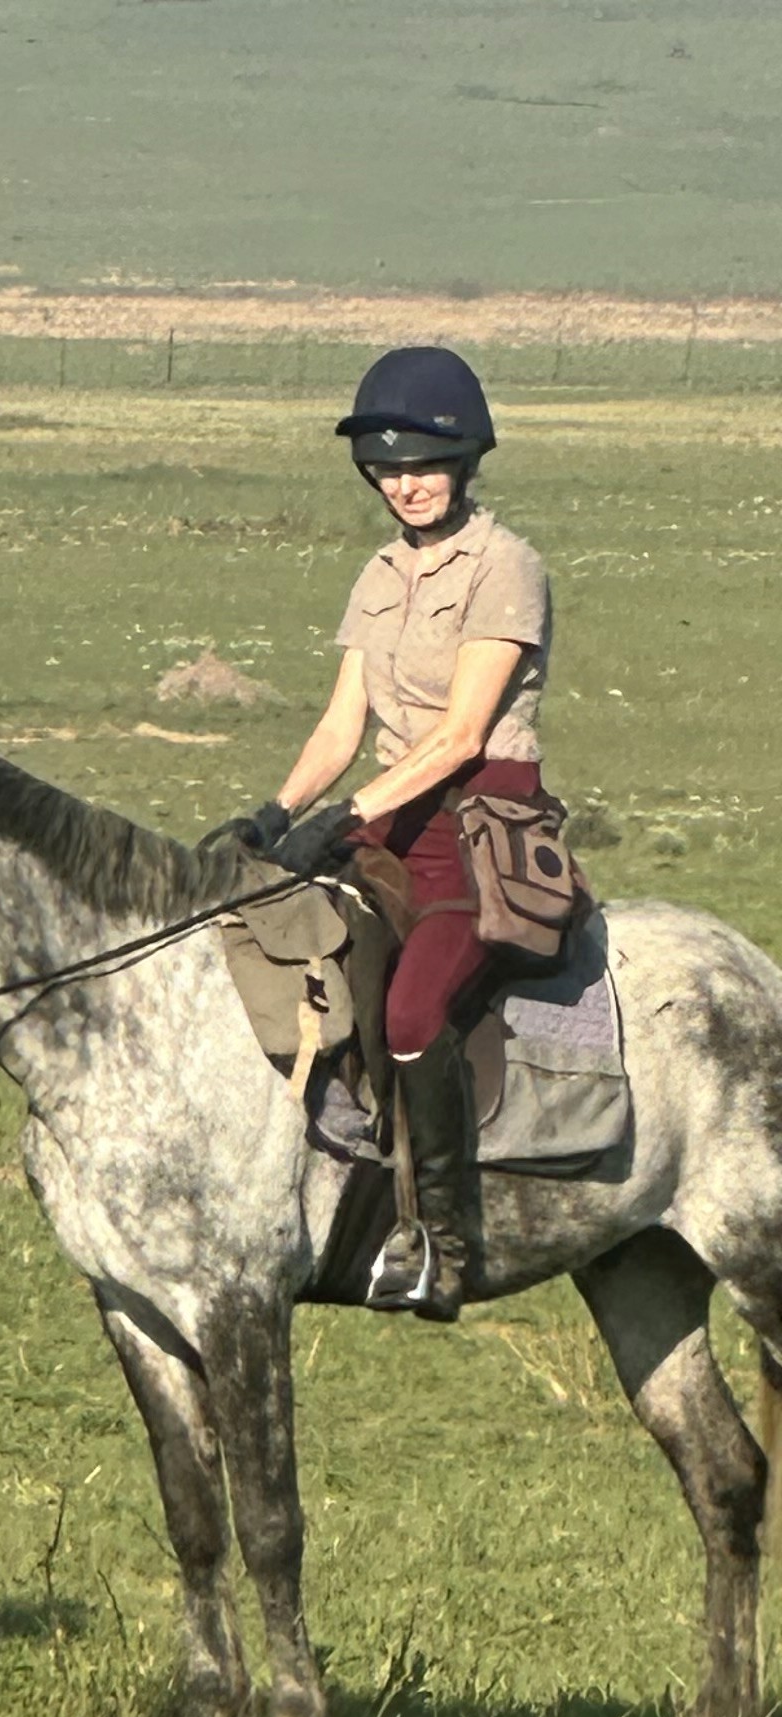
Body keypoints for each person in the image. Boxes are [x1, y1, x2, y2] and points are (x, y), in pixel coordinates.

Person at [230, 346, 555, 1318]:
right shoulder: (378, 574)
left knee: (413, 1015)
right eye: (389, 467)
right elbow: (344, 723)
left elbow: (460, 737)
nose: (407, 483)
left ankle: (444, 1246)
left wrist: (349, 815)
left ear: (466, 461)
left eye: (426, 463)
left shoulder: (506, 568)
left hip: (482, 825)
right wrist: (279, 812)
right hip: (392, 816)